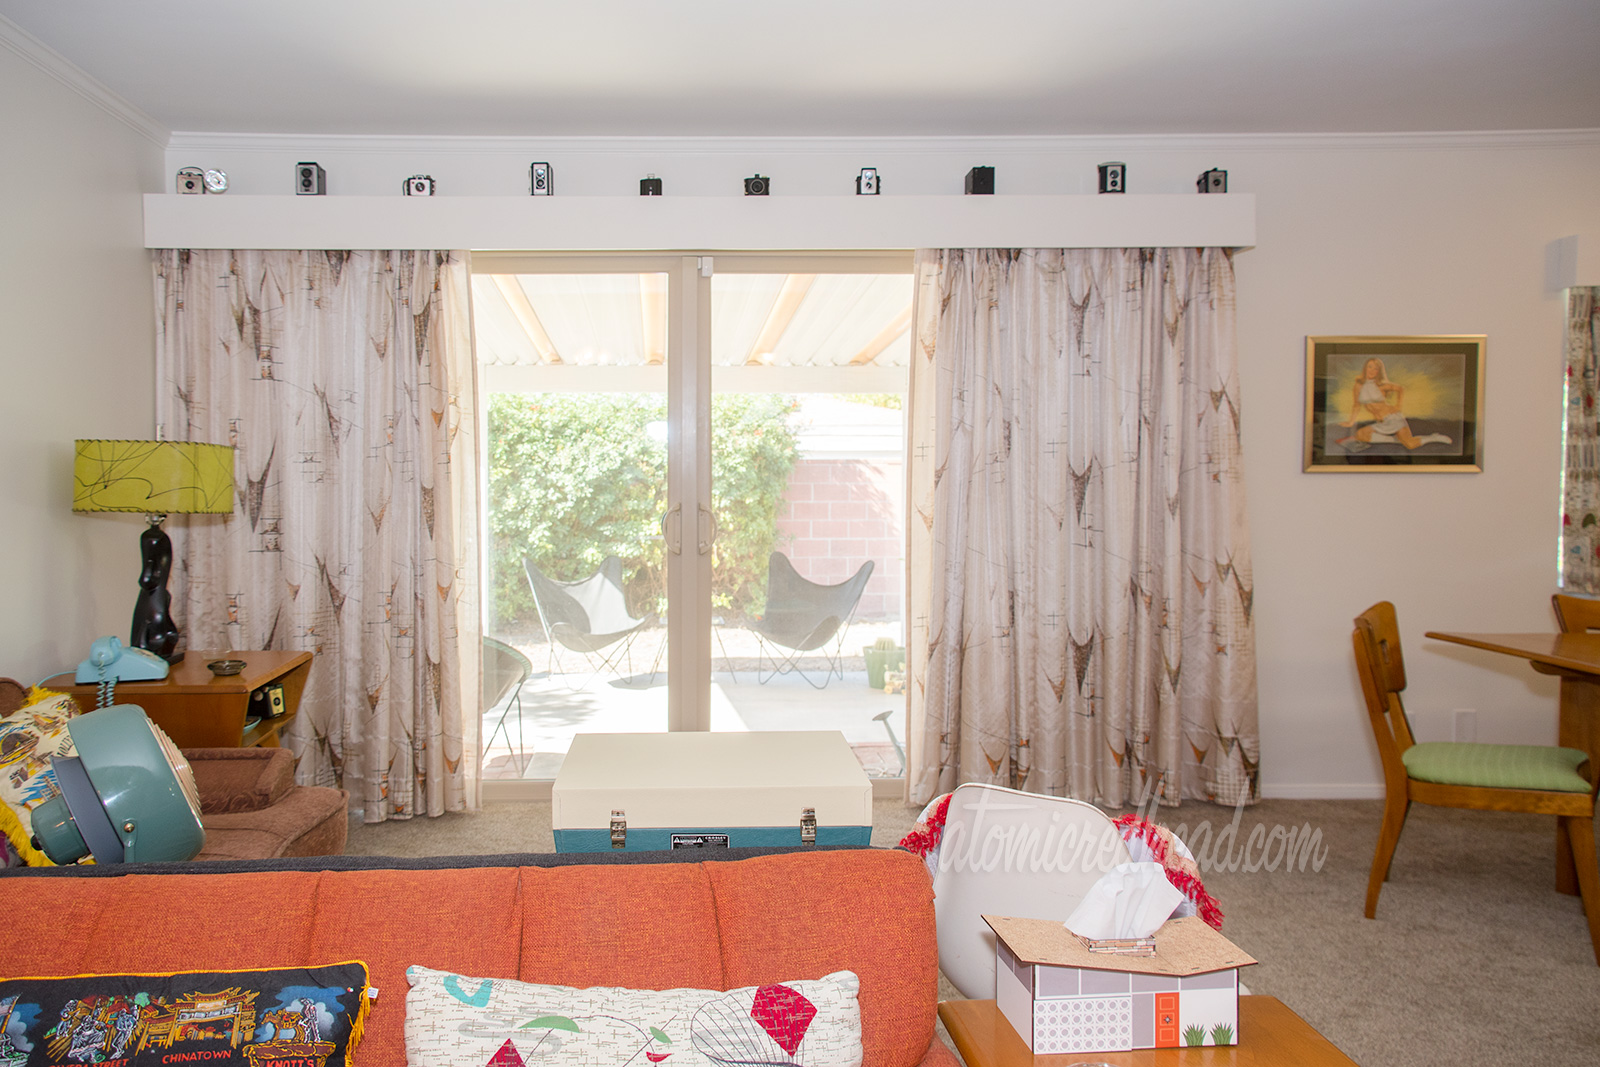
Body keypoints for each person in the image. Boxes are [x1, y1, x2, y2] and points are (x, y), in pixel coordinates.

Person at [1336, 357, 1451, 450]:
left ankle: (1433, 437)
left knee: (1410, 445)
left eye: (1375, 368)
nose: (1372, 370)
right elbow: (1356, 405)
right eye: (1369, 367)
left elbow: (1400, 388)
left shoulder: (1382, 385)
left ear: (1378, 371)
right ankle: (1397, 440)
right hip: (1381, 422)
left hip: (1393, 418)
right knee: (1360, 434)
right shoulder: (1358, 385)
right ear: (1365, 368)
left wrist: (1398, 406)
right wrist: (1350, 422)